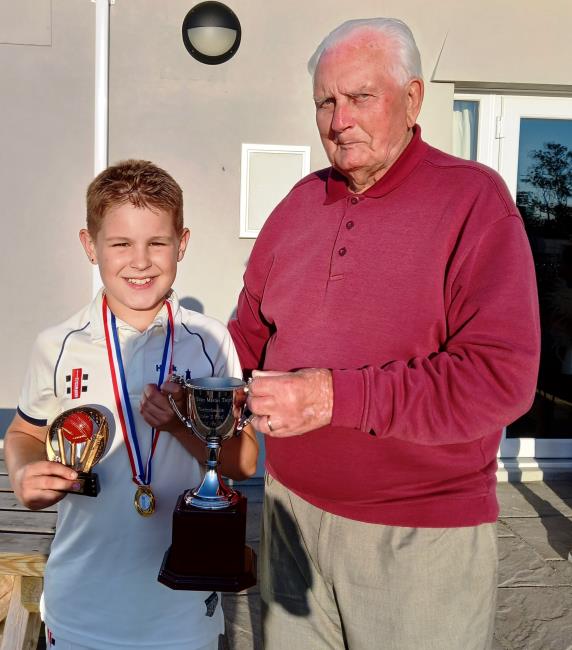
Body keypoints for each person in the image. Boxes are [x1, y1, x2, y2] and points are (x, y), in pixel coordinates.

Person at [228, 17, 540, 650]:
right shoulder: (297, 204)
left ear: (414, 98)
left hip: (418, 534)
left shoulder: (473, 201)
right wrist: (184, 369)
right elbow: (248, 335)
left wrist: (330, 398)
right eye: (326, 100)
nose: (339, 118)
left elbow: (500, 378)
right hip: (289, 516)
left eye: (361, 97)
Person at [5, 159, 258, 650]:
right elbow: (23, 433)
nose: (139, 261)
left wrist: (183, 427)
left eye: (157, 243)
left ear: (181, 244)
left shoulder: (208, 341)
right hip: (83, 607)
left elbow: (242, 462)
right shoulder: (58, 344)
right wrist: (22, 475)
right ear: (89, 245)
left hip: (183, 612)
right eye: (120, 243)